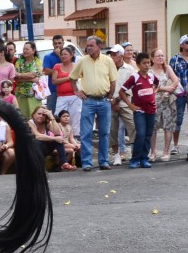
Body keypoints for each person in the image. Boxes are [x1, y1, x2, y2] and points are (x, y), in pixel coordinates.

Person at [69, 36, 117, 171]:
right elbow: (72, 77)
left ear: (99, 47)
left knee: (104, 133)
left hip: (104, 100)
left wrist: (110, 96)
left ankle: (104, 161)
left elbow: (113, 80)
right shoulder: (82, 61)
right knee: (86, 133)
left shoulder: (108, 61)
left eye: (91, 45)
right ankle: (87, 162)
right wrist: (77, 91)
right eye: (87, 45)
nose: (88, 48)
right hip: (88, 100)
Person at [119, 52, 157, 168]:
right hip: (139, 111)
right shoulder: (134, 77)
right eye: (144, 63)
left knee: (148, 135)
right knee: (140, 134)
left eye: (148, 63)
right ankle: (135, 159)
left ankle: (144, 158)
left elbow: (157, 84)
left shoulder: (151, 76)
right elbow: (122, 91)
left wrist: (153, 94)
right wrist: (130, 105)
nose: (147, 65)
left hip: (151, 110)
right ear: (138, 64)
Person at [149, 49, 179, 161]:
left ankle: (166, 152)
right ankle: (153, 152)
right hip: (153, 101)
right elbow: (150, 86)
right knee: (153, 127)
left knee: (168, 126)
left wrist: (168, 91)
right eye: (158, 56)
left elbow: (176, 81)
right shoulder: (149, 70)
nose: (161, 58)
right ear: (152, 58)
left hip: (166, 101)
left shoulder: (167, 68)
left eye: (162, 55)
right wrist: (164, 88)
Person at [169, 35, 188, 155]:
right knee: (177, 120)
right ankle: (175, 146)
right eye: (187, 42)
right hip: (179, 94)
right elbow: (170, 76)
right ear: (181, 45)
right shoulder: (175, 59)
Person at [109, 45, 135, 165]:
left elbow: (130, 87)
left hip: (125, 102)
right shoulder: (107, 68)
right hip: (110, 102)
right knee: (112, 130)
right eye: (111, 54)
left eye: (114, 54)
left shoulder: (129, 69)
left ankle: (135, 153)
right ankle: (116, 155)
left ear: (121, 55)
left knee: (133, 127)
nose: (112, 56)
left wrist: (117, 99)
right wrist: (112, 101)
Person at [29, 106, 74, 171]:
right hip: (33, 150)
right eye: (39, 114)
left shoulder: (47, 123)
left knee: (59, 139)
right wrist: (54, 138)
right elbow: (37, 136)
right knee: (38, 141)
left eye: (43, 115)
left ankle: (64, 163)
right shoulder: (30, 123)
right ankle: (40, 167)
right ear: (34, 115)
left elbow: (57, 133)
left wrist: (52, 117)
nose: (41, 116)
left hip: (46, 149)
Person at [52, 45, 81, 132]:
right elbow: (54, 81)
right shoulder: (57, 66)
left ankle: (75, 136)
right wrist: (68, 78)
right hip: (61, 97)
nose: (63, 56)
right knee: (59, 116)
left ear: (71, 55)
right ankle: (60, 134)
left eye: (65, 54)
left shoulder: (76, 66)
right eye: (62, 54)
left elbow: (80, 78)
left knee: (75, 117)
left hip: (75, 96)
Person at [12, 40, 43, 119]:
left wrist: (20, 75)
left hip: (34, 94)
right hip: (20, 94)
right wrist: (30, 79)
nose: (24, 51)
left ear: (33, 50)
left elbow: (35, 75)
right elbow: (15, 77)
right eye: (24, 49)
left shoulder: (37, 62)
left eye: (27, 49)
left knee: (34, 116)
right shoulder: (19, 62)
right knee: (22, 117)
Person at [41, 35, 64, 112]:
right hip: (53, 90)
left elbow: (69, 67)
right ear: (53, 44)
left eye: (59, 43)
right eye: (55, 43)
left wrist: (60, 55)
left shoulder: (68, 56)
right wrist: (62, 73)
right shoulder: (48, 57)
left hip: (66, 90)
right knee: (51, 112)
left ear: (63, 43)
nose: (57, 45)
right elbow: (46, 71)